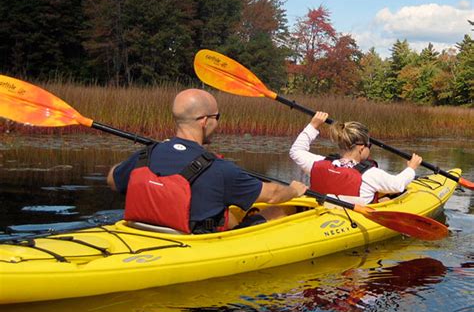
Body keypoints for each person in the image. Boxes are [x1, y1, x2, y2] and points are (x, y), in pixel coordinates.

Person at [108, 88, 307, 233]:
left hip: (139, 232)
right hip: (194, 241)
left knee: (235, 210)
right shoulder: (219, 169)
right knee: (278, 210)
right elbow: (273, 195)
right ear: (205, 121)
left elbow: (112, 179)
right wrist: (294, 190)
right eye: (217, 117)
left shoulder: (145, 155)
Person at [289, 111, 423, 204]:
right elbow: (398, 185)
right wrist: (411, 168)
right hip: (351, 219)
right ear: (361, 148)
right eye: (369, 146)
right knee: (388, 197)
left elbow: (296, 150)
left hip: (320, 212)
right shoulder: (370, 174)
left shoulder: (317, 164)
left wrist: (313, 125)